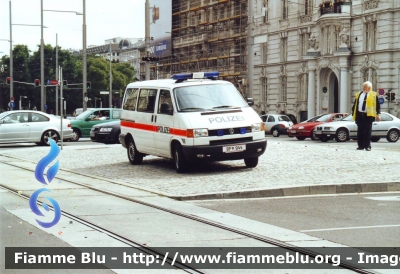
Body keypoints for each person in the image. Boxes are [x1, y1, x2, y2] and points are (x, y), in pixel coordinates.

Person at [351, 81, 381, 151]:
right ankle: (360, 146)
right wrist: (353, 113)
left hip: (369, 116)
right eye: (363, 86)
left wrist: (378, 114)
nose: (363, 87)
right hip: (359, 115)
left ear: (369, 88)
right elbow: (355, 105)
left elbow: (378, 106)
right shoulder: (359, 94)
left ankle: (367, 146)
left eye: (364, 86)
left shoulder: (374, 95)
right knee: (360, 131)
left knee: (367, 132)